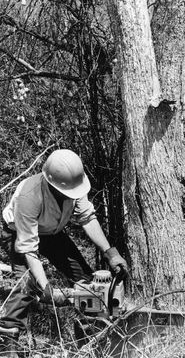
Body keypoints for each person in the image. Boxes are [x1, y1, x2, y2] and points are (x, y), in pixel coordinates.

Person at [0, 149, 127, 352]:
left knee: (85, 278)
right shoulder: (29, 196)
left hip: (52, 231)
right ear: (51, 182)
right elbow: (29, 249)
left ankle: (90, 335)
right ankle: (8, 342)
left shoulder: (74, 183)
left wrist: (110, 252)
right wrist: (46, 288)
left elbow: (87, 217)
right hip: (19, 233)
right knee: (26, 283)